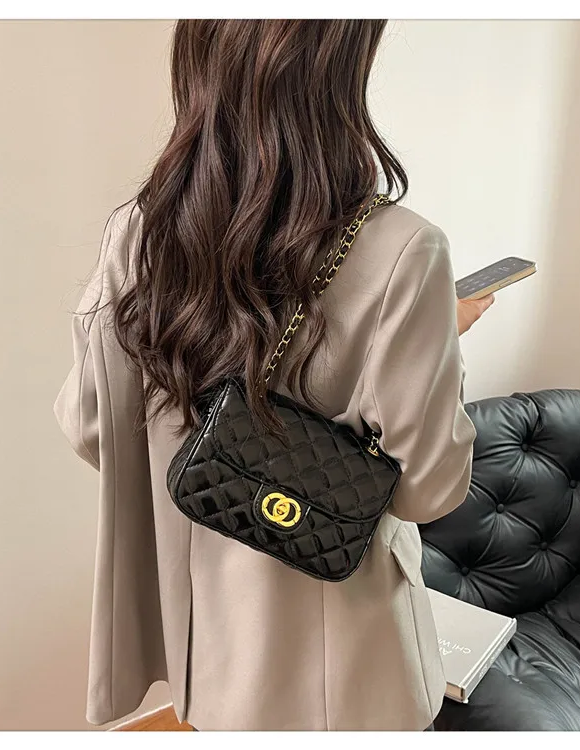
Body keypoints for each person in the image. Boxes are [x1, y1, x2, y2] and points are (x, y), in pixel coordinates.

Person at [54, 19, 494, 732]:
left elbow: (90, 425)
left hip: (203, 641)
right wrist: (441, 339)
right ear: (340, 69)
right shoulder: (405, 250)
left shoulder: (139, 230)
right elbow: (430, 489)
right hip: (346, 662)